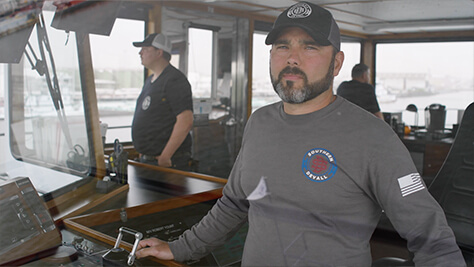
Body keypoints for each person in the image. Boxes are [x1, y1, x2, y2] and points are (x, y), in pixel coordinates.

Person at [135, 2, 465, 266]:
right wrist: (179, 249)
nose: (292, 58)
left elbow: (431, 237)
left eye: (309, 47)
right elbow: (233, 205)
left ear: (336, 63)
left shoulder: (372, 136)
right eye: (282, 46)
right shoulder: (259, 123)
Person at [131, 33, 193, 170]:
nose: (140, 53)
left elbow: (185, 120)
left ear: (159, 52)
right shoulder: (150, 80)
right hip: (149, 160)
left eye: (145, 49)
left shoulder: (174, 80)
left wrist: (166, 156)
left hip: (168, 162)